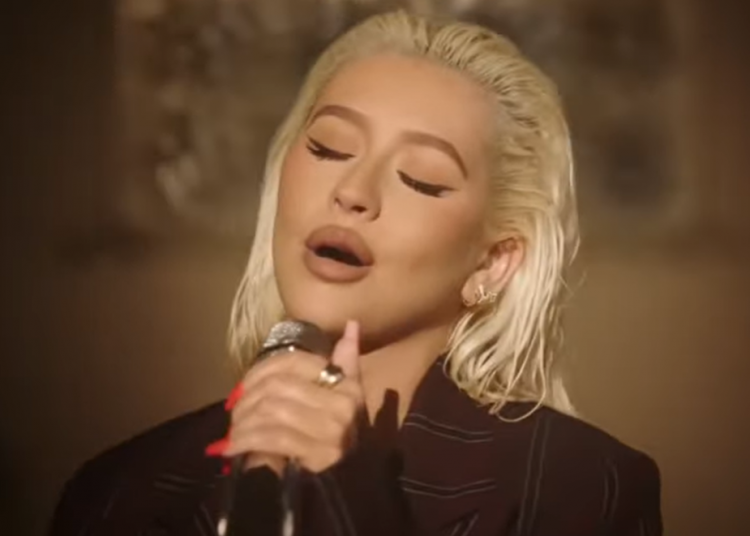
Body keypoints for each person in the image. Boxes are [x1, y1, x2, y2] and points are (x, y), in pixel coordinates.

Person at [50, 9, 662, 536]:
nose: (353, 192)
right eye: (329, 148)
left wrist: (352, 500)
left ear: (492, 262)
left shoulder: (577, 489)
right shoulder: (117, 491)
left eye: (421, 179)